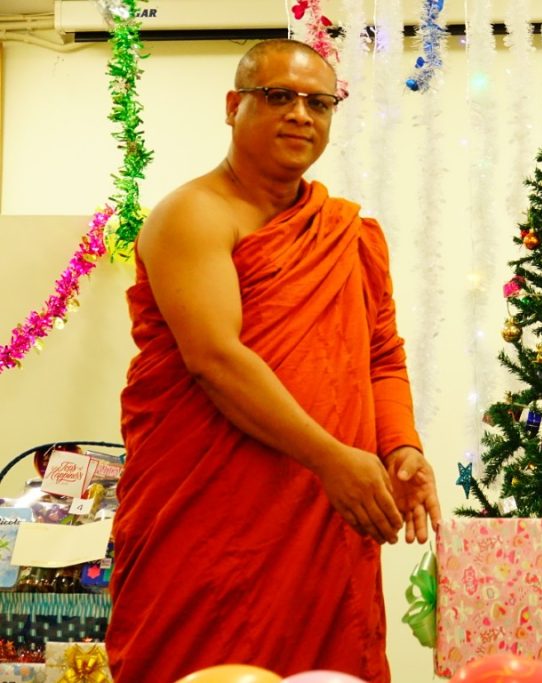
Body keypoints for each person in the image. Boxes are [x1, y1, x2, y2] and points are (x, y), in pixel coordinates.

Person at [107, 39, 440, 683]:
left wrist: (401, 448)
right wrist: (331, 458)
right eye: (279, 96)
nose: (300, 115)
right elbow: (215, 360)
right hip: (212, 520)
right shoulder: (193, 215)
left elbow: (381, 354)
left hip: (322, 523)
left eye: (319, 103)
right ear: (234, 106)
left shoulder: (348, 234)